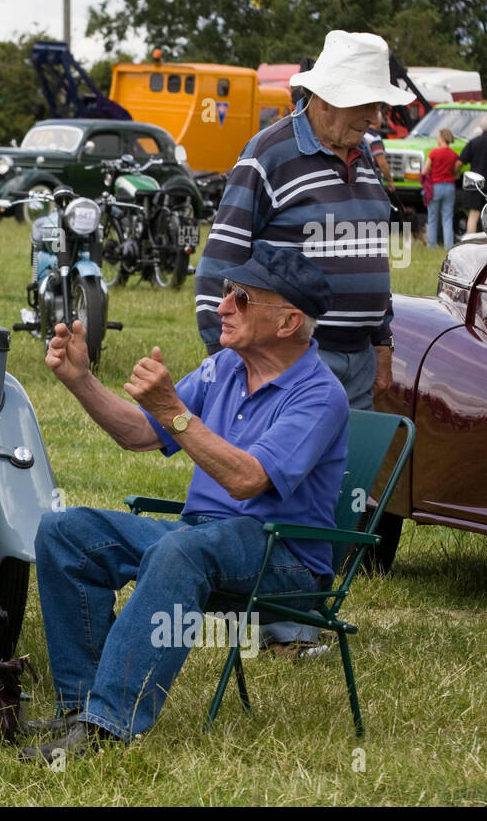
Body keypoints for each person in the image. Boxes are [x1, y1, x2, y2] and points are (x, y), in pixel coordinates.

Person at [21, 244, 348, 761]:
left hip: (282, 558)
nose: (222, 307)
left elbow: (247, 479)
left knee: (183, 552)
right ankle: (79, 707)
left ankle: (109, 724)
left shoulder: (319, 394)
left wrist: (175, 411)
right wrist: (82, 380)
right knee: (65, 532)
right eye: (225, 294)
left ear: (288, 322)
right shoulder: (224, 368)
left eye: (241, 298)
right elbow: (137, 432)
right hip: (203, 535)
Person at [193, 30, 411, 654]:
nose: (376, 118)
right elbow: (220, 264)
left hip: (357, 357)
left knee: (332, 495)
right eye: (367, 105)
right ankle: (275, 625)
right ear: (325, 97)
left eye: (378, 107)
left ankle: (300, 615)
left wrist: (384, 342)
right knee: (276, 486)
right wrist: (227, 354)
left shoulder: (366, 156)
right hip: (285, 360)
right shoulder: (267, 154)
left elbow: (376, 257)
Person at [422, 128, 459, 249]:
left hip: (435, 186)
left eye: (438, 136)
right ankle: (448, 245)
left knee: (432, 217)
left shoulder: (433, 153)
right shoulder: (454, 154)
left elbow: (424, 171)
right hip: (449, 186)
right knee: (447, 217)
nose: (437, 139)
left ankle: (431, 245)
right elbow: (455, 172)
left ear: (442, 138)